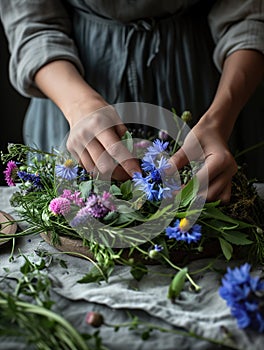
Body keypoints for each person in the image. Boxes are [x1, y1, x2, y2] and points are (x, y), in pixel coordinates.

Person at [0, 0, 263, 204]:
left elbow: (249, 16)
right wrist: (79, 106)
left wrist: (219, 120)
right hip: (68, 81)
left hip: (199, 82)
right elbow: (33, 24)